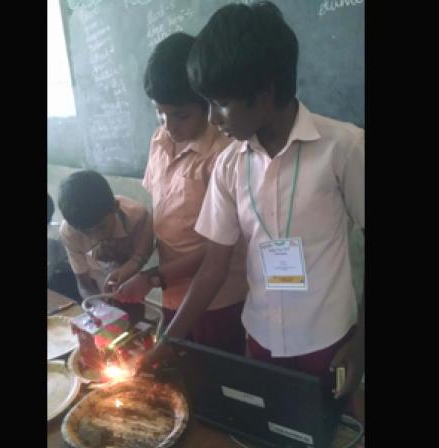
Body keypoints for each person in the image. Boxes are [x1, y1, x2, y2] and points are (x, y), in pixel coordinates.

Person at [139, 1, 365, 406]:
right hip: (259, 338)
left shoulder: (344, 148)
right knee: (265, 429)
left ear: (264, 95)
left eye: (221, 104)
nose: (212, 119)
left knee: (331, 430)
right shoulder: (229, 164)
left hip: (328, 339)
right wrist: (170, 339)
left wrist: (363, 343)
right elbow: (213, 266)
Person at [114, 32, 249, 355]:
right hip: (170, 290)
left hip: (218, 298)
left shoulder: (226, 154)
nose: (168, 125)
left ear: (208, 104)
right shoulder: (160, 140)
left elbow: (219, 250)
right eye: (160, 113)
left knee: (215, 378)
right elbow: (157, 215)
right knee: (178, 369)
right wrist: (136, 263)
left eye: (180, 115)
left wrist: (152, 277)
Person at [57, 170, 153, 321]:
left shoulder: (137, 216)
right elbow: (84, 285)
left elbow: (142, 254)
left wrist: (129, 267)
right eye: (85, 232)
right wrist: (102, 310)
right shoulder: (69, 232)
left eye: (101, 227)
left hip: (129, 283)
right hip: (95, 286)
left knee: (134, 318)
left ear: (115, 207)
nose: (97, 237)